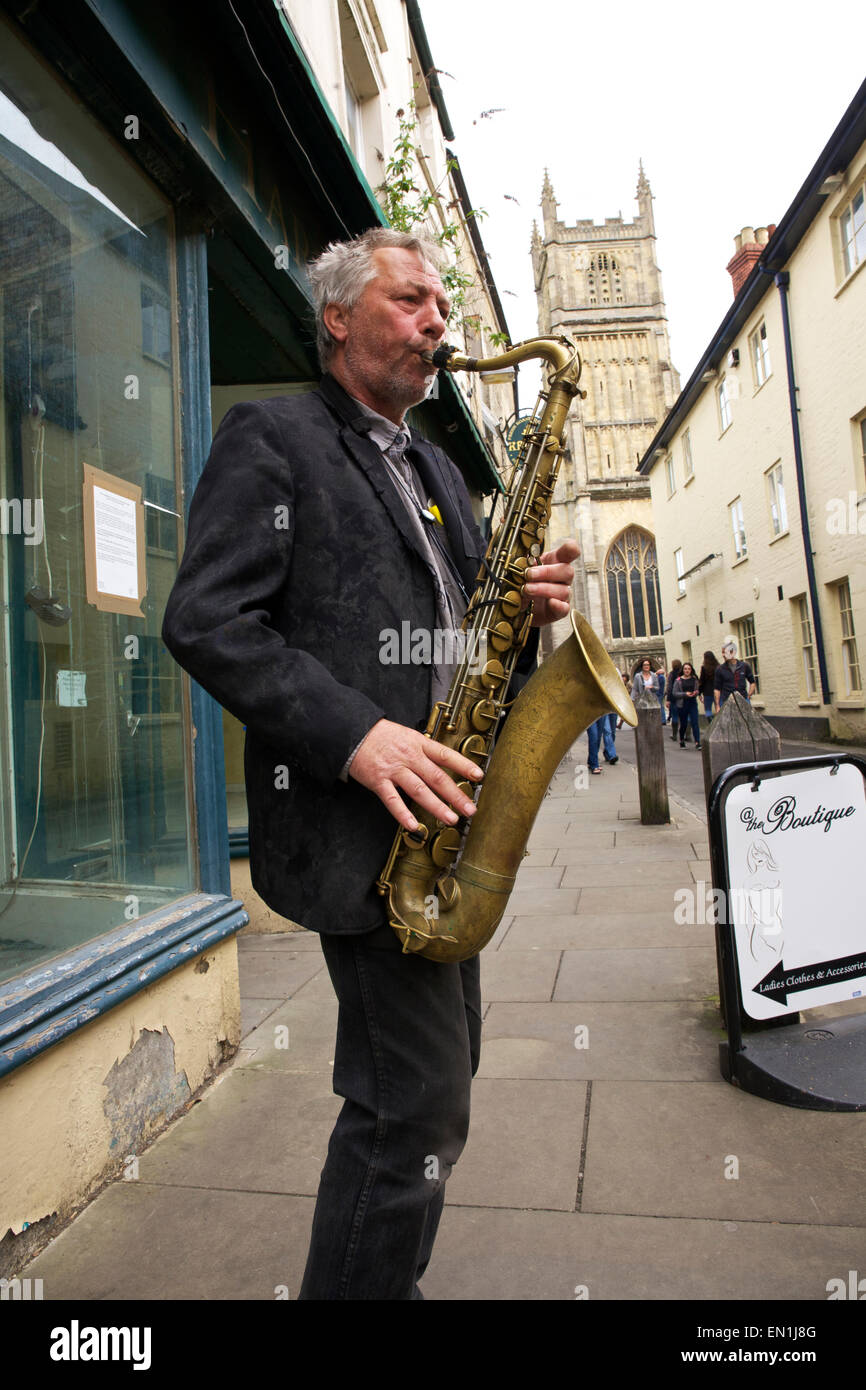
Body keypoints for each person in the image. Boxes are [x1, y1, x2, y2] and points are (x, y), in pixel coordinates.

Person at [160, 227, 577, 1300]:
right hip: (361, 827)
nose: (437, 320)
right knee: (414, 1106)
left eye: (441, 304)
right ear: (337, 319)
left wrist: (521, 611)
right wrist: (354, 732)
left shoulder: (435, 464)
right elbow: (207, 620)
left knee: (435, 1087)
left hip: (447, 818)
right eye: (411, 300)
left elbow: (462, 628)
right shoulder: (273, 436)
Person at [714, 638, 756, 711]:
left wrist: (749, 696)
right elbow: (717, 689)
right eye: (722, 652)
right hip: (726, 702)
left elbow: (752, 682)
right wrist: (717, 705)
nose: (723, 655)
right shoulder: (719, 669)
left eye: (725, 652)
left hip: (743, 700)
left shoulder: (744, 666)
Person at [673, 661, 701, 748]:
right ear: (683, 670)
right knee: (684, 724)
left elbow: (697, 690)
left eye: (689, 669)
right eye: (685, 669)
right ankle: (681, 739)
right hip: (682, 704)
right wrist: (685, 694)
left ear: (691, 670)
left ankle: (697, 742)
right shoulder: (678, 681)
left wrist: (695, 693)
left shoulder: (694, 679)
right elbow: (674, 693)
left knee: (695, 722)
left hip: (692, 703)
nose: (687, 670)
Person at [666, 658, 683, 741]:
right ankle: (687, 734)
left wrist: (668, 699)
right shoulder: (683, 673)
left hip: (674, 698)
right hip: (684, 697)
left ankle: (674, 734)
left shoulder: (671, 674)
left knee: (675, 716)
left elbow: (669, 687)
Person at [698, 650, 718, 720]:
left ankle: (712, 724)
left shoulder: (704, 668)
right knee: (719, 709)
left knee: (708, 710)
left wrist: (699, 693)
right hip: (718, 691)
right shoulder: (718, 667)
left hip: (707, 692)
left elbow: (701, 681)